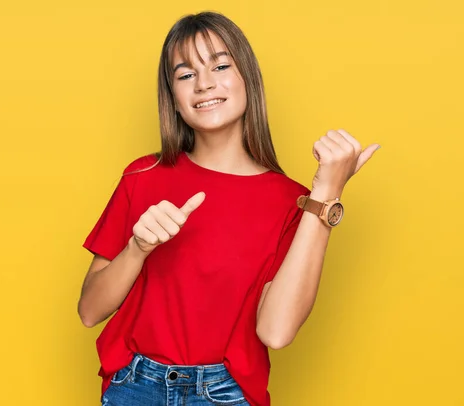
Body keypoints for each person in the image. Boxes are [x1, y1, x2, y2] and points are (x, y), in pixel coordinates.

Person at [78, 10, 380, 406]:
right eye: (185, 75)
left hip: (224, 394)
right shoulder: (143, 175)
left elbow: (276, 332)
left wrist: (324, 195)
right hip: (135, 386)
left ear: (247, 81)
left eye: (220, 65)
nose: (204, 84)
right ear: (173, 99)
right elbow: (89, 310)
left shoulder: (292, 203)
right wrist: (138, 248)